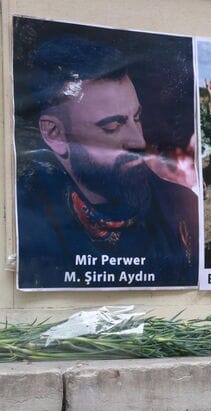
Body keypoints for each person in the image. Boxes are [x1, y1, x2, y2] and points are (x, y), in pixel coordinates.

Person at [16, 35, 198, 289]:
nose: (138, 141)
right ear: (55, 134)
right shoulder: (24, 221)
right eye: (112, 126)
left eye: (137, 118)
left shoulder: (182, 207)